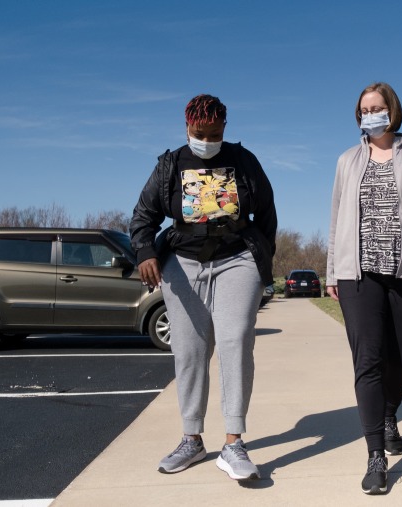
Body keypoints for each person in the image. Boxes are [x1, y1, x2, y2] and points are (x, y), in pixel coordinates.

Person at [130, 94, 277, 482]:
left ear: (224, 128)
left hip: (236, 259)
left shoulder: (243, 162)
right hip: (184, 264)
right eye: (199, 133)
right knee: (190, 351)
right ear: (186, 127)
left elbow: (266, 214)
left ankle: (233, 443)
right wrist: (145, 252)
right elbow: (143, 216)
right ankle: (191, 439)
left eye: (214, 134)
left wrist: (261, 258)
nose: (206, 141)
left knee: (236, 341)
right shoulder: (171, 165)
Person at [325, 82, 402, 495]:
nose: (370, 115)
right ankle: (376, 454)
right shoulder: (347, 160)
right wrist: (331, 272)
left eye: (377, 107)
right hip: (358, 275)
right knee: (368, 361)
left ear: (392, 110)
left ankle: (391, 412)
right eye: (364, 110)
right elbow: (337, 219)